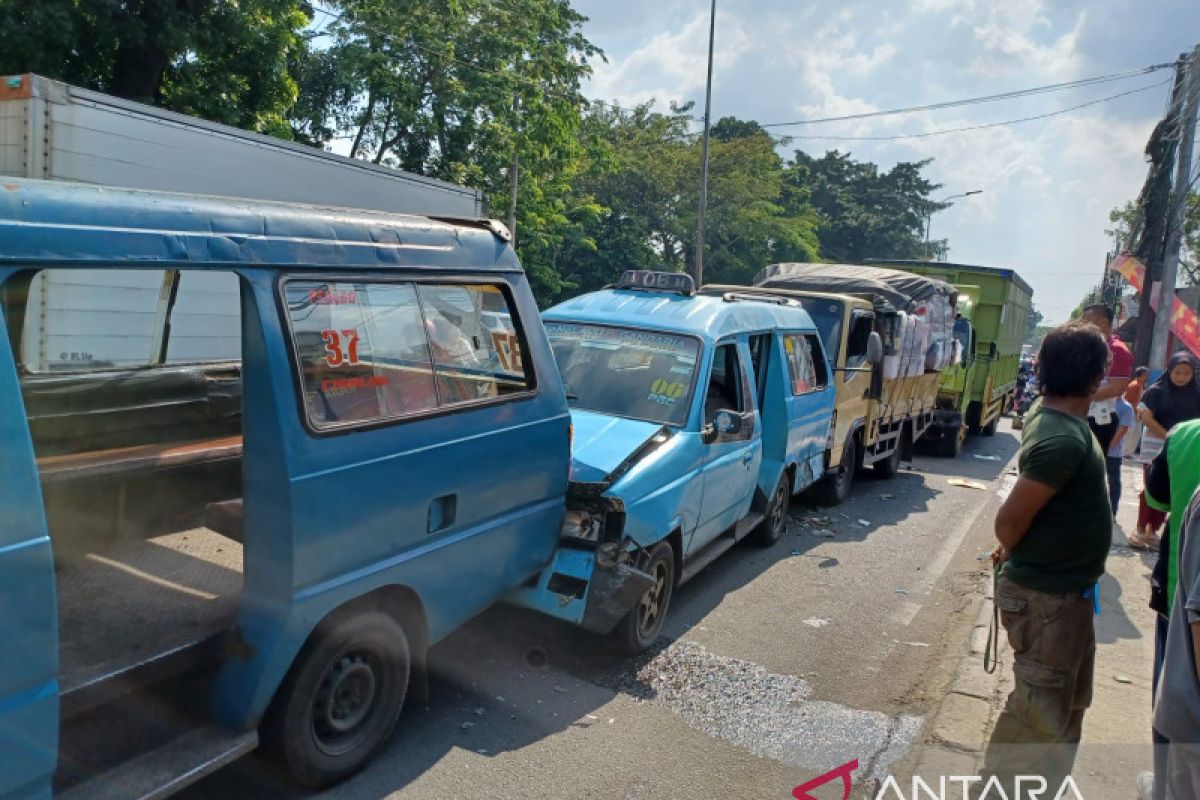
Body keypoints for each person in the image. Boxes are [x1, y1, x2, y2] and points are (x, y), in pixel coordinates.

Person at [981, 322, 1112, 792]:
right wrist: (1014, 550)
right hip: (1047, 602)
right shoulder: (1063, 440)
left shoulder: (1052, 415)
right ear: (1096, 379)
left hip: (1067, 597)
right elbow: (1008, 523)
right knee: (1037, 713)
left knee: (1066, 703)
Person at [1138, 418, 1200, 799]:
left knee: (1172, 681)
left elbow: (1157, 498)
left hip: (1176, 582)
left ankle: (1162, 785)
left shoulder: (1183, 434)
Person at [1132, 353, 1200, 550]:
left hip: (1185, 446)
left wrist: (1179, 440)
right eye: (1177, 372)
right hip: (1156, 444)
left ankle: (1153, 530)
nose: (1181, 377)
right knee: (1151, 485)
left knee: (1171, 488)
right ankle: (1139, 528)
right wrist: (1170, 437)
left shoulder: (1196, 394)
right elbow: (1146, 418)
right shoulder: (1156, 391)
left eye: (1186, 373)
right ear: (1169, 371)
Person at [1080, 304, 1133, 453]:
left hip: (1097, 419)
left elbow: (1117, 387)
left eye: (1086, 321)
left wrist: (1077, 395)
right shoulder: (1088, 347)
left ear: (1103, 322)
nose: (1082, 326)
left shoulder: (1117, 350)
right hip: (1079, 414)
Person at [1108, 396, 1135, 517]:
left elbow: (1123, 430)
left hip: (1113, 453)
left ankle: (1112, 511)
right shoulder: (1096, 402)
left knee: (1114, 482)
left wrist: (1106, 446)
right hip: (1095, 449)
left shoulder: (1125, 407)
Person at [1127, 366, 1151, 454]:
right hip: (1132, 412)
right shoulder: (1135, 385)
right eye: (1146, 375)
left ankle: (1128, 452)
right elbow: (1128, 399)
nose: (1147, 377)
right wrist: (1135, 411)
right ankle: (1126, 452)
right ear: (1141, 375)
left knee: (1135, 433)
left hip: (1136, 412)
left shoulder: (1140, 385)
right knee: (1130, 433)